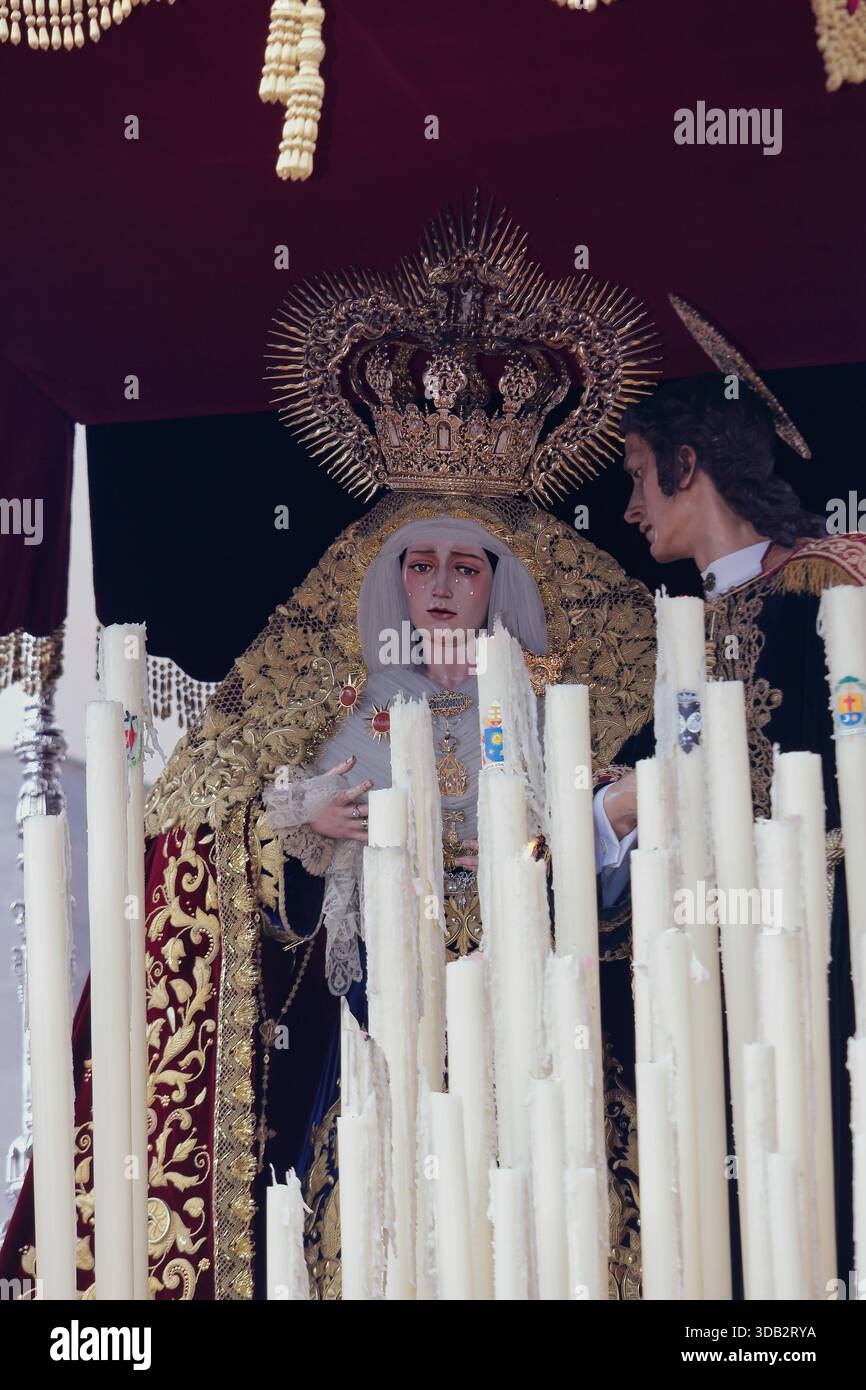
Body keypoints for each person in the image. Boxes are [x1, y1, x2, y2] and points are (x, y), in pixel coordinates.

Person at [0, 199, 661, 1299]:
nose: (442, 587)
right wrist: (294, 828)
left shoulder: (562, 719)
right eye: (421, 565)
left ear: (501, 580)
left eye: (465, 565)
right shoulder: (335, 712)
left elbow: (609, 895)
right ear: (387, 580)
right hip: (377, 1077)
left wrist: (591, 830)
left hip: (540, 1073)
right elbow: (202, 854)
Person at [621, 364, 866, 1282]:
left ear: (690, 465)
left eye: (641, 476)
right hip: (720, 944)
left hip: (827, 924)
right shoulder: (699, 619)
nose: (631, 508)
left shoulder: (819, 589)